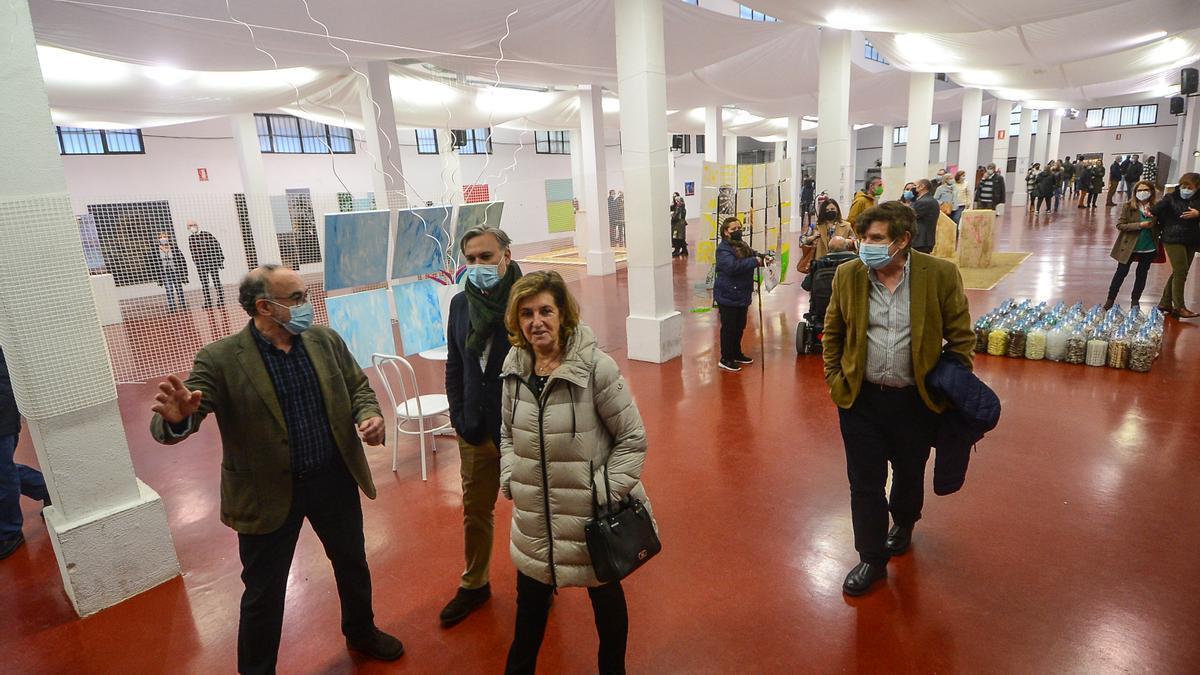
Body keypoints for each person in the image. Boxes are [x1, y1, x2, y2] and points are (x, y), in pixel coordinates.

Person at [149, 265, 403, 673]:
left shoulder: (324, 341)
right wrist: (179, 418)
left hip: (332, 479)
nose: (308, 305)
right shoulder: (220, 359)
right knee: (264, 593)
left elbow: (358, 387)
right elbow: (177, 419)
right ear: (265, 307)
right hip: (266, 493)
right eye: (299, 298)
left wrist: (369, 414)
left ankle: (361, 630)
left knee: (352, 562)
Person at [498, 270, 653, 675]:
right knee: (529, 612)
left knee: (606, 603)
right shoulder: (513, 368)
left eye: (546, 311)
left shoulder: (595, 368)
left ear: (563, 314)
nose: (537, 322)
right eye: (527, 313)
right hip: (534, 520)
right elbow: (507, 432)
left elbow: (632, 438)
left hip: (590, 518)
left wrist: (602, 491)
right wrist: (510, 472)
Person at [822, 201, 974, 596]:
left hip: (915, 402)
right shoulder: (848, 275)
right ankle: (871, 558)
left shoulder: (939, 275)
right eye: (861, 237)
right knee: (864, 483)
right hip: (861, 400)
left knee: (909, 472)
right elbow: (833, 331)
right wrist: (836, 380)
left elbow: (962, 338)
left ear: (903, 240)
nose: (865, 246)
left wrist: (951, 385)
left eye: (875, 239)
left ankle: (904, 521)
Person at [441, 226, 523, 627]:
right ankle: (475, 584)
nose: (477, 266)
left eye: (485, 257)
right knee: (476, 511)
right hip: (474, 429)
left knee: (532, 509)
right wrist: (459, 417)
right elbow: (455, 366)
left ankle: (536, 581)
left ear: (506, 256)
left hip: (522, 429)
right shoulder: (460, 306)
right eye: (470, 259)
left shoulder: (528, 301)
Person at [0, 347, 50, 560]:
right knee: (4, 470)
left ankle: (10, 533)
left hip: (2, 419)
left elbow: (3, 384)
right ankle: (45, 487)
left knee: (2, 473)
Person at [714, 217, 767, 372]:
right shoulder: (723, 249)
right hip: (728, 294)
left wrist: (763, 257)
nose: (737, 231)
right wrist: (754, 261)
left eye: (739, 228)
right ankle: (726, 358)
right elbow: (732, 267)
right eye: (733, 229)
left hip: (741, 293)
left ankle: (736, 353)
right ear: (725, 232)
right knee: (729, 327)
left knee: (739, 326)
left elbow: (752, 254)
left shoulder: (741, 245)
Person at [1104, 181, 1161, 310]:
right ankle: (1110, 300)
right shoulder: (1128, 206)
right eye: (1139, 190)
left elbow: (1161, 225)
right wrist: (1139, 225)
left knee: (1142, 274)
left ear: (1151, 191)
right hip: (1129, 246)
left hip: (1148, 246)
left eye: (1145, 190)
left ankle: (1135, 300)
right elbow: (1120, 225)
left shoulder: (1156, 207)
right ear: (1135, 193)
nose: (1142, 193)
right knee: (1121, 273)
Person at [1153, 173, 1200, 318]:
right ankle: (1179, 307)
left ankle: (1165, 303)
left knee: (1180, 272)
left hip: (1192, 240)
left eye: (1189, 187)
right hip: (1172, 238)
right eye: (1183, 186)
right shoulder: (1171, 197)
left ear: (1197, 187)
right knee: (1181, 271)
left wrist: (1198, 214)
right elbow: (1156, 209)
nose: (1185, 190)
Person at [187, 220, 226, 309]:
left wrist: (219, 260)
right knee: (204, 283)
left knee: (216, 280)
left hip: (211, 262)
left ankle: (221, 299)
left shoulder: (206, 235)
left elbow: (216, 246)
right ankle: (208, 300)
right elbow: (193, 252)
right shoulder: (191, 238)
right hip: (201, 265)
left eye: (193, 225)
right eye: (189, 226)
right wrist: (196, 262)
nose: (192, 227)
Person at [148, 232, 189, 313]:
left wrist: (184, 273)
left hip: (175, 271)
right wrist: (157, 276)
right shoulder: (156, 250)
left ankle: (182, 303)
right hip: (164, 272)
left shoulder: (174, 248)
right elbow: (153, 263)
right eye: (161, 237)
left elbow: (182, 260)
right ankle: (172, 305)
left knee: (179, 288)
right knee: (169, 289)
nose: (163, 238)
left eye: (164, 236)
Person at [911, 179, 939, 254]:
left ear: (922, 186)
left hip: (921, 240)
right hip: (926, 240)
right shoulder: (931, 200)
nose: (914, 187)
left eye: (916, 185)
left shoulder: (923, 202)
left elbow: (911, 216)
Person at [670, 192, 689, 258]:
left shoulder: (678, 208)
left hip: (678, 226)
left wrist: (672, 215)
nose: (676, 201)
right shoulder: (683, 207)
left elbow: (676, 217)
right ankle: (684, 250)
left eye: (677, 200)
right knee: (681, 239)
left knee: (676, 238)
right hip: (681, 225)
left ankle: (676, 251)